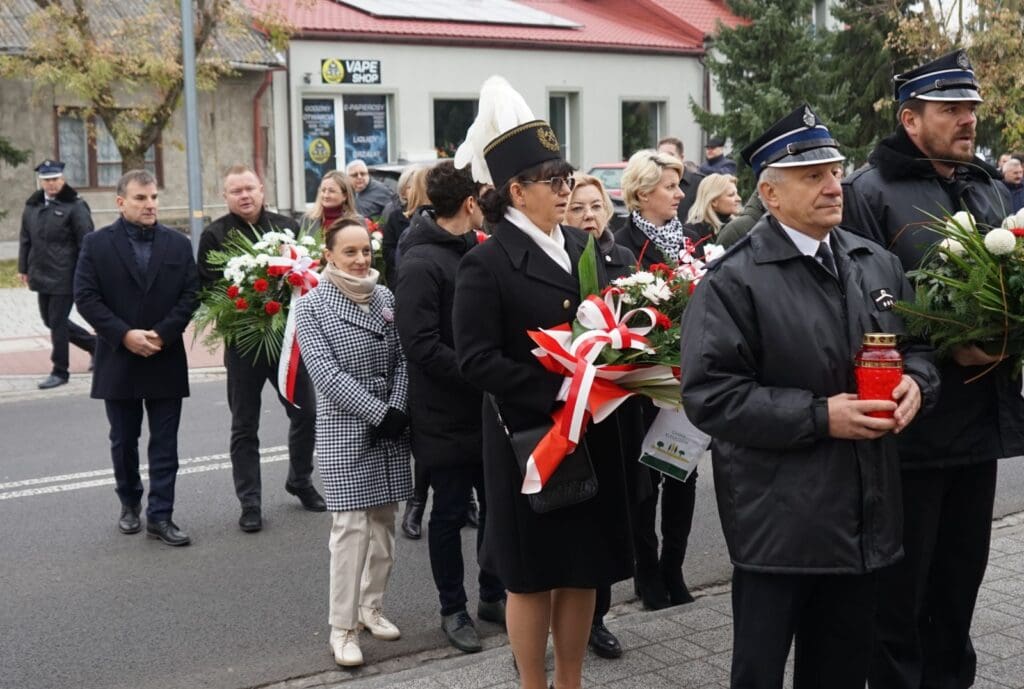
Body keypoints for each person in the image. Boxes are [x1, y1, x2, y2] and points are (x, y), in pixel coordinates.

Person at [680, 104, 940, 689]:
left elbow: (920, 348)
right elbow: (711, 396)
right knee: (760, 673)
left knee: (842, 672)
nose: (833, 185)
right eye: (813, 175)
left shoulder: (875, 264)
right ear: (770, 195)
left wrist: (916, 386)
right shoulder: (734, 281)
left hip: (863, 523)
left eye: (835, 170)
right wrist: (822, 417)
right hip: (779, 530)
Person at [841, 50, 1024, 689]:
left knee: (959, 587)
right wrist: (943, 353)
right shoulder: (868, 193)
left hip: (978, 424)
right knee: (899, 595)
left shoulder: (984, 184)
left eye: (970, 108)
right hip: (911, 431)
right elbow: (862, 311)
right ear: (910, 119)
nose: (967, 120)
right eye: (951, 109)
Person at [452, 76, 634, 689]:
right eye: (553, 182)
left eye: (567, 179)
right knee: (531, 573)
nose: (566, 191)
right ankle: (534, 681)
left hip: (590, 430)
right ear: (516, 190)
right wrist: (561, 387)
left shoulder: (582, 245)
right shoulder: (485, 263)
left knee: (583, 568)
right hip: (529, 437)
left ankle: (571, 679)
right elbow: (475, 360)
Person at [395, 160, 506, 654]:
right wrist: (478, 369)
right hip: (444, 413)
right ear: (467, 205)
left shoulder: (473, 250)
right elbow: (419, 345)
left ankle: (492, 595)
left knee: (498, 509)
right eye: (481, 201)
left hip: (484, 407)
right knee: (449, 514)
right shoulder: (421, 263)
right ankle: (452, 608)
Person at [293, 217, 412, 668]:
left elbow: (403, 359)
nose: (361, 260)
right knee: (350, 530)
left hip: (391, 428)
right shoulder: (312, 304)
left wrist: (398, 408)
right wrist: (380, 413)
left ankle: (371, 606)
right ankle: (341, 627)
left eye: (366, 251)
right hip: (348, 430)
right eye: (350, 252)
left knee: (384, 522)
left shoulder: (385, 296)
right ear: (329, 255)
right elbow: (325, 375)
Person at [73, 169, 199, 546]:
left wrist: (163, 332)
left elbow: (190, 295)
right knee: (123, 439)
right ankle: (129, 504)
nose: (150, 205)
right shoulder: (97, 244)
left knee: (165, 444)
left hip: (164, 355)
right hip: (119, 357)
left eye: (154, 198)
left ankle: (161, 517)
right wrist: (124, 335)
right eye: (141, 198)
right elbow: (86, 296)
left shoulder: (177, 243)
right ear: (121, 202)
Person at [198, 165, 326, 532]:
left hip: (287, 343)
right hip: (244, 346)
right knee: (244, 425)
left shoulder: (285, 227)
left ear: (262, 189)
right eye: (236, 190)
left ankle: (300, 479)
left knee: (306, 413)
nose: (244, 196)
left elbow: (310, 274)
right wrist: (251, 304)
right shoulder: (214, 235)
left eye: (249, 188)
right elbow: (209, 291)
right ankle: (250, 502)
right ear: (226, 196)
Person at [614, 148, 699, 610]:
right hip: (645, 383)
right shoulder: (621, 243)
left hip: (688, 383)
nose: (679, 194)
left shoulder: (690, 241)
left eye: (679, 185)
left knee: (683, 475)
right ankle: (647, 573)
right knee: (645, 485)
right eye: (670, 186)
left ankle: (675, 568)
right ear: (643, 193)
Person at [564, 172, 643, 660]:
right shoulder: (563, 262)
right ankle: (549, 628)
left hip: (621, 409)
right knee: (570, 515)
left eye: (596, 206)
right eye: (578, 208)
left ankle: (598, 618)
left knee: (614, 509)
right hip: (573, 409)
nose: (589, 215)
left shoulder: (622, 260)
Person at [18, 159, 96, 389]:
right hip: (41, 273)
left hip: (66, 274)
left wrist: (86, 273)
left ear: (62, 179)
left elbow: (86, 242)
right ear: (41, 182)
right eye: (47, 180)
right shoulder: (32, 206)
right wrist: (24, 268)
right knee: (49, 320)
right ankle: (96, 347)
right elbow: (26, 239)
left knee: (58, 322)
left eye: (55, 179)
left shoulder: (75, 206)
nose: (51, 184)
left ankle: (60, 371)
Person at [382, 165, 429, 286]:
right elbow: (388, 250)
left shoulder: (434, 214)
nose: (418, 191)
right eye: (412, 187)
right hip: (401, 277)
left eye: (421, 186)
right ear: (403, 192)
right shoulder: (395, 217)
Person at [683, 173, 742, 258]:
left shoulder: (736, 228)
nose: (739, 198)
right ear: (714, 201)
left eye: (737, 193)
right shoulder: (691, 233)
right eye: (731, 195)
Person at [299, 170, 359, 240]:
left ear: (344, 196)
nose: (326, 195)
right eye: (323, 190)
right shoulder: (307, 219)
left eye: (331, 191)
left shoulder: (356, 221)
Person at [657, 136, 705, 222]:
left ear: (681, 157)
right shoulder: (655, 182)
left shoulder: (700, 183)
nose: (665, 159)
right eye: (661, 155)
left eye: (670, 155)